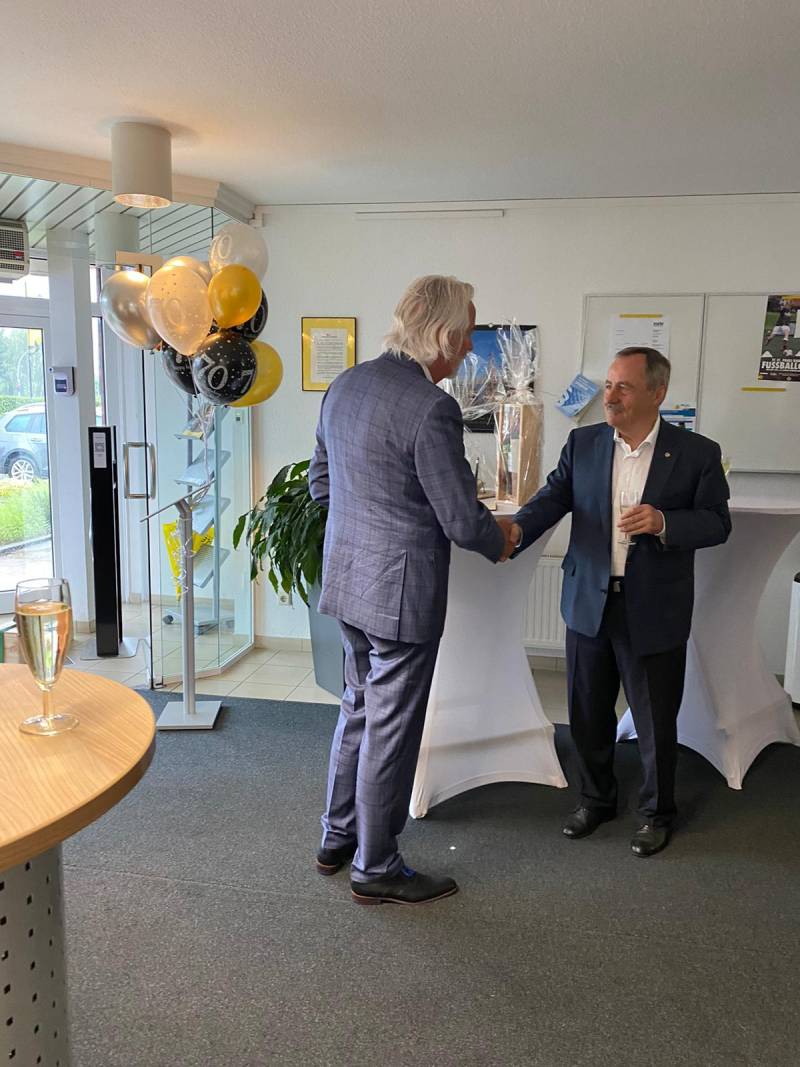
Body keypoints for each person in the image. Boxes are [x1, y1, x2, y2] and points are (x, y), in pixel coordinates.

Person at [309, 275, 513, 905]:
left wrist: (375, 522)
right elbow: (462, 521)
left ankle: (338, 837)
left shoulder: (346, 385)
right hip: (400, 598)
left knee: (358, 707)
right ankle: (375, 867)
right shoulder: (431, 407)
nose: (470, 345)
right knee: (391, 730)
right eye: (468, 332)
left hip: (347, 582)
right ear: (445, 335)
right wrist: (502, 538)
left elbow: (321, 486)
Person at [499, 347, 731, 857]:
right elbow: (554, 496)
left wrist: (665, 522)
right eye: (608, 385)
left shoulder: (696, 453)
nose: (610, 396)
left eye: (623, 386)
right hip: (589, 600)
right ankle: (595, 800)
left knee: (654, 719)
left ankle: (656, 813)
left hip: (653, 607)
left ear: (657, 392)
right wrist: (516, 530)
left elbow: (718, 523)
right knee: (587, 711)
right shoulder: (583, 443)